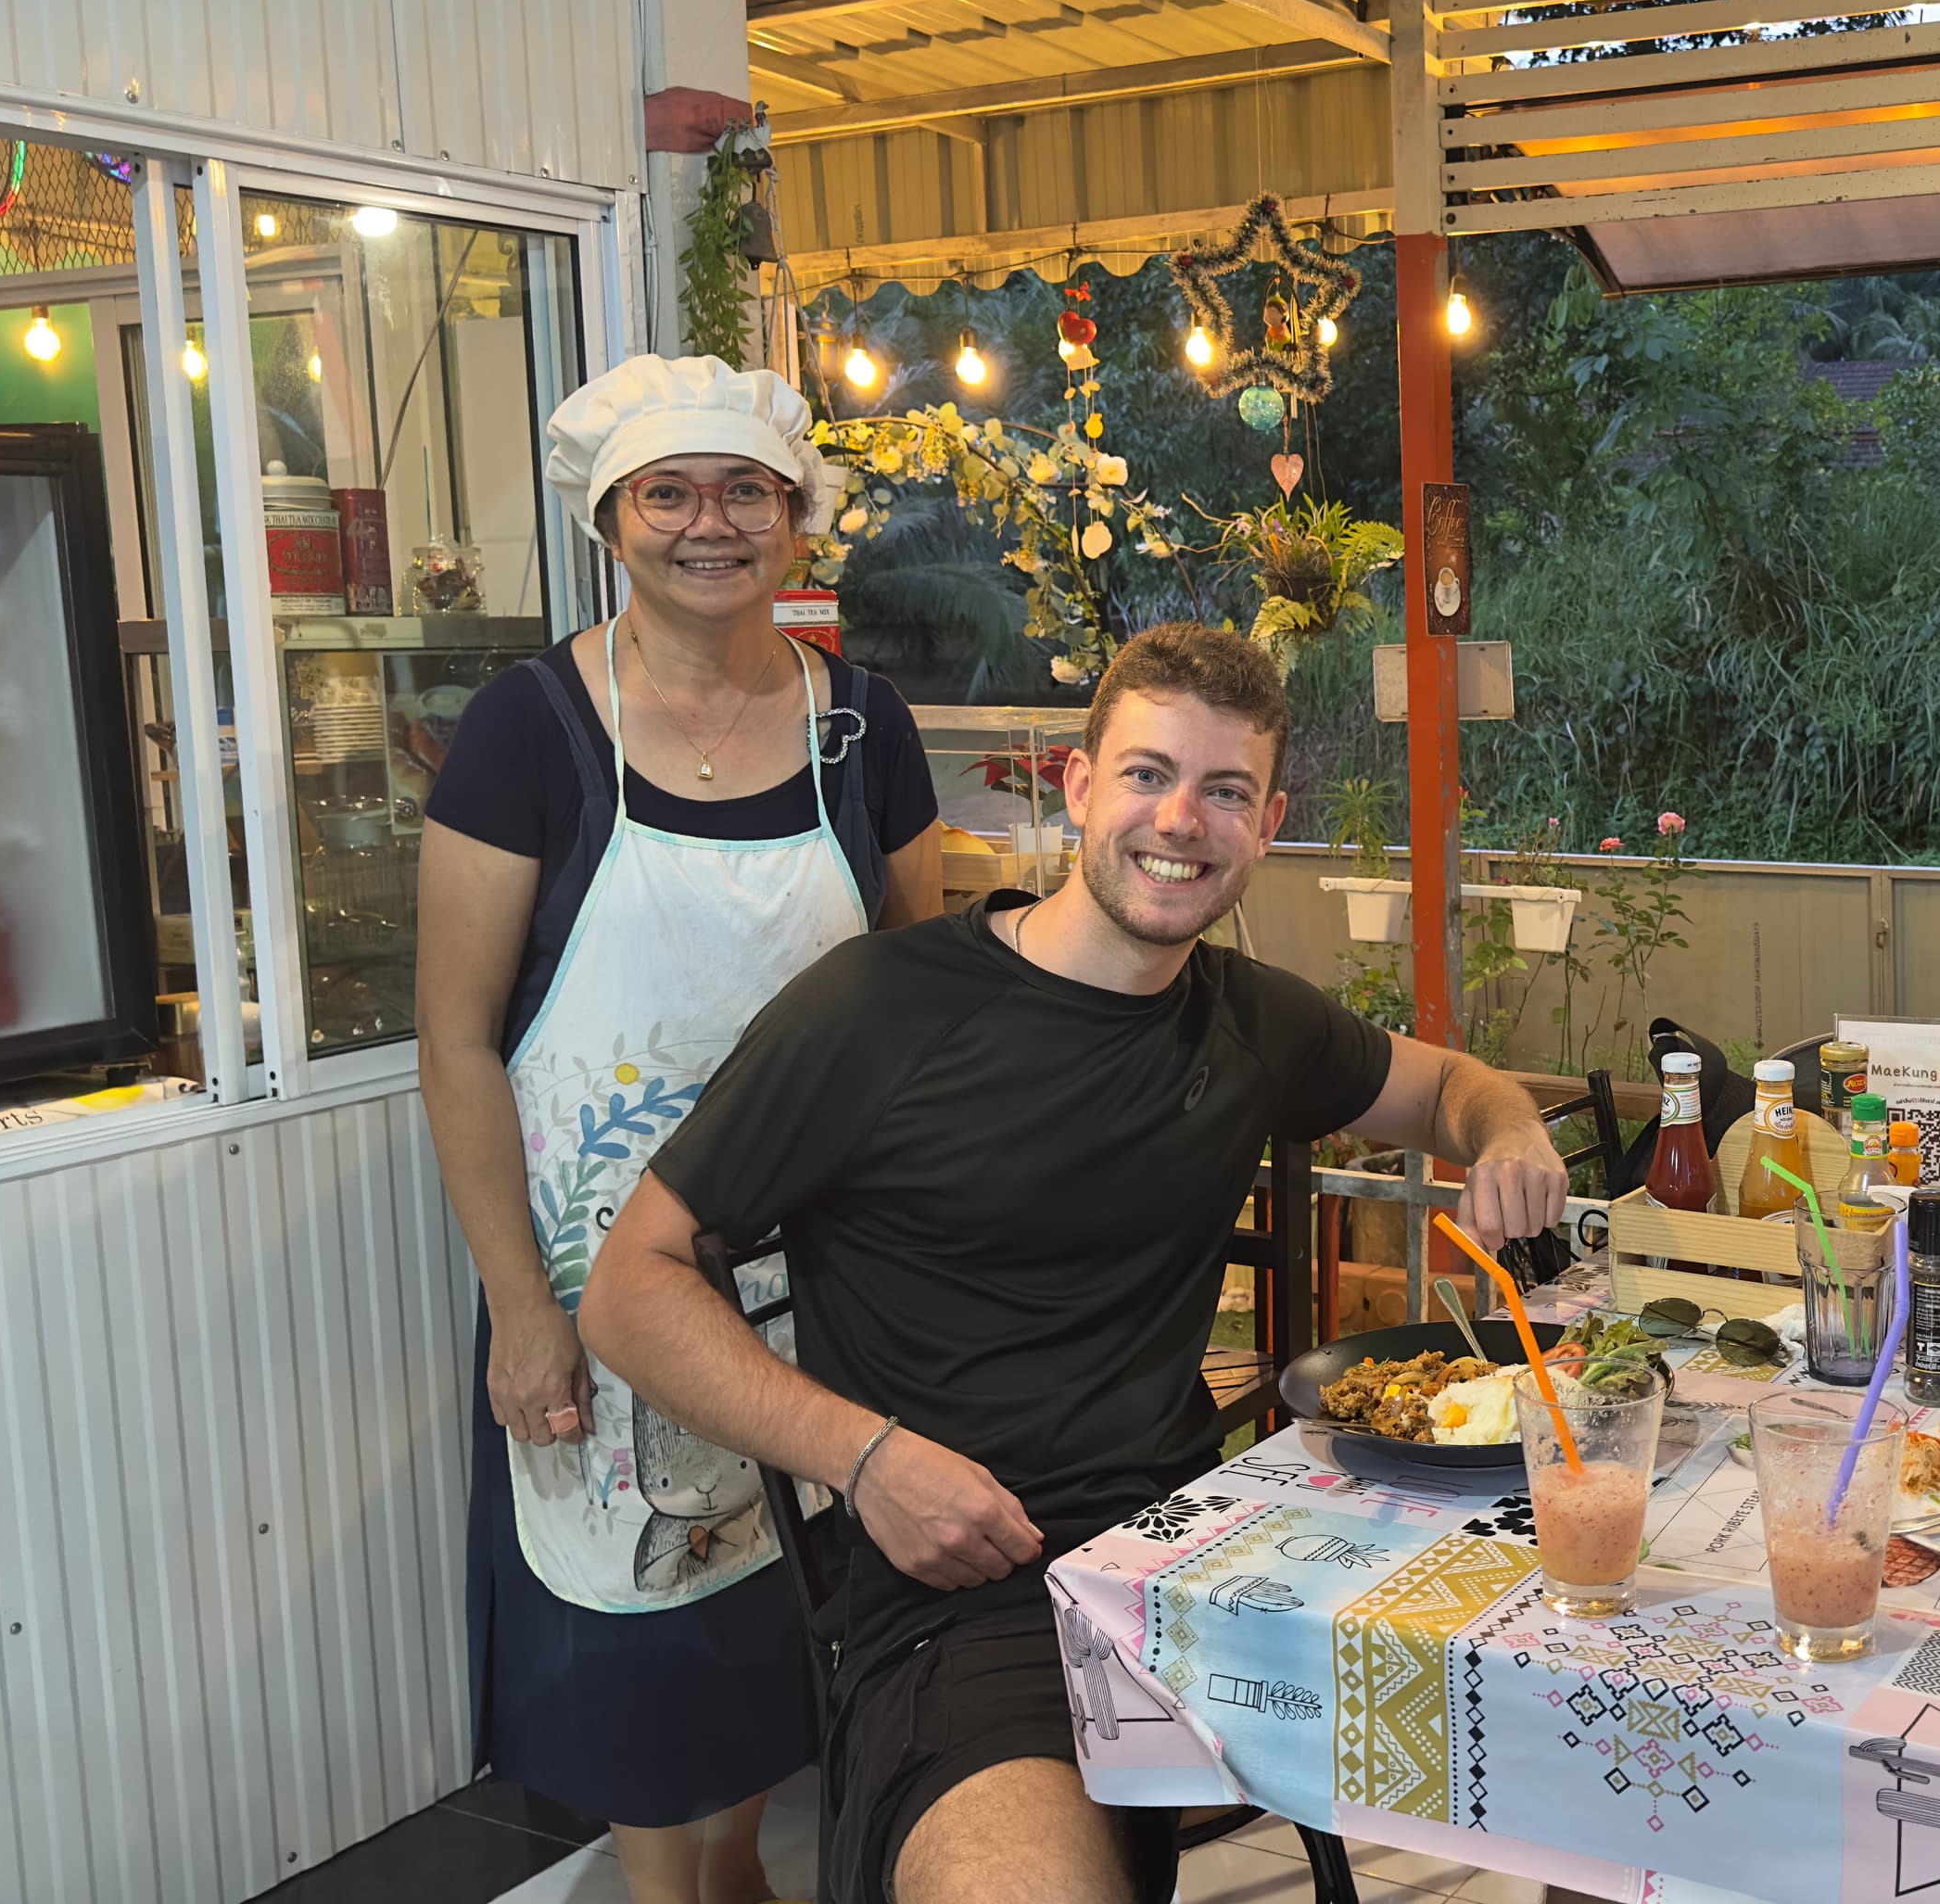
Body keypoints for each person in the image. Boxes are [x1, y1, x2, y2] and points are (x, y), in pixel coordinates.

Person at [577, 620, 1572, 1904]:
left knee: (1612, 1744)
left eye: (1224, 792)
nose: (1182, 821)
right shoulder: (877, 1011)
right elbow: (631, 1285)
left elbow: (1447, 1085)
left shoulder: (1248, 1020)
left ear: (1266, 823)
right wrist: (864, 1456)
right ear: (1077, 784)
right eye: (1149, 774)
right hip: (964, 1601)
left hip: (1199, 1560)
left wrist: (1508, 1129)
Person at [415, 354, 945, 1904]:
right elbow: (455, 1042)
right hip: (602, 1311)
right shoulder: (530, 731)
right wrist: (521, 1309)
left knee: (780, 1657)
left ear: (796, 517)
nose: (709, 523)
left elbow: (920, 1010)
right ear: (610, 517)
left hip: (820, 1305)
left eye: (745, 491)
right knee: (644, 1682)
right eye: (670, 491)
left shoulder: (865, 731)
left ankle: (732, 1883)